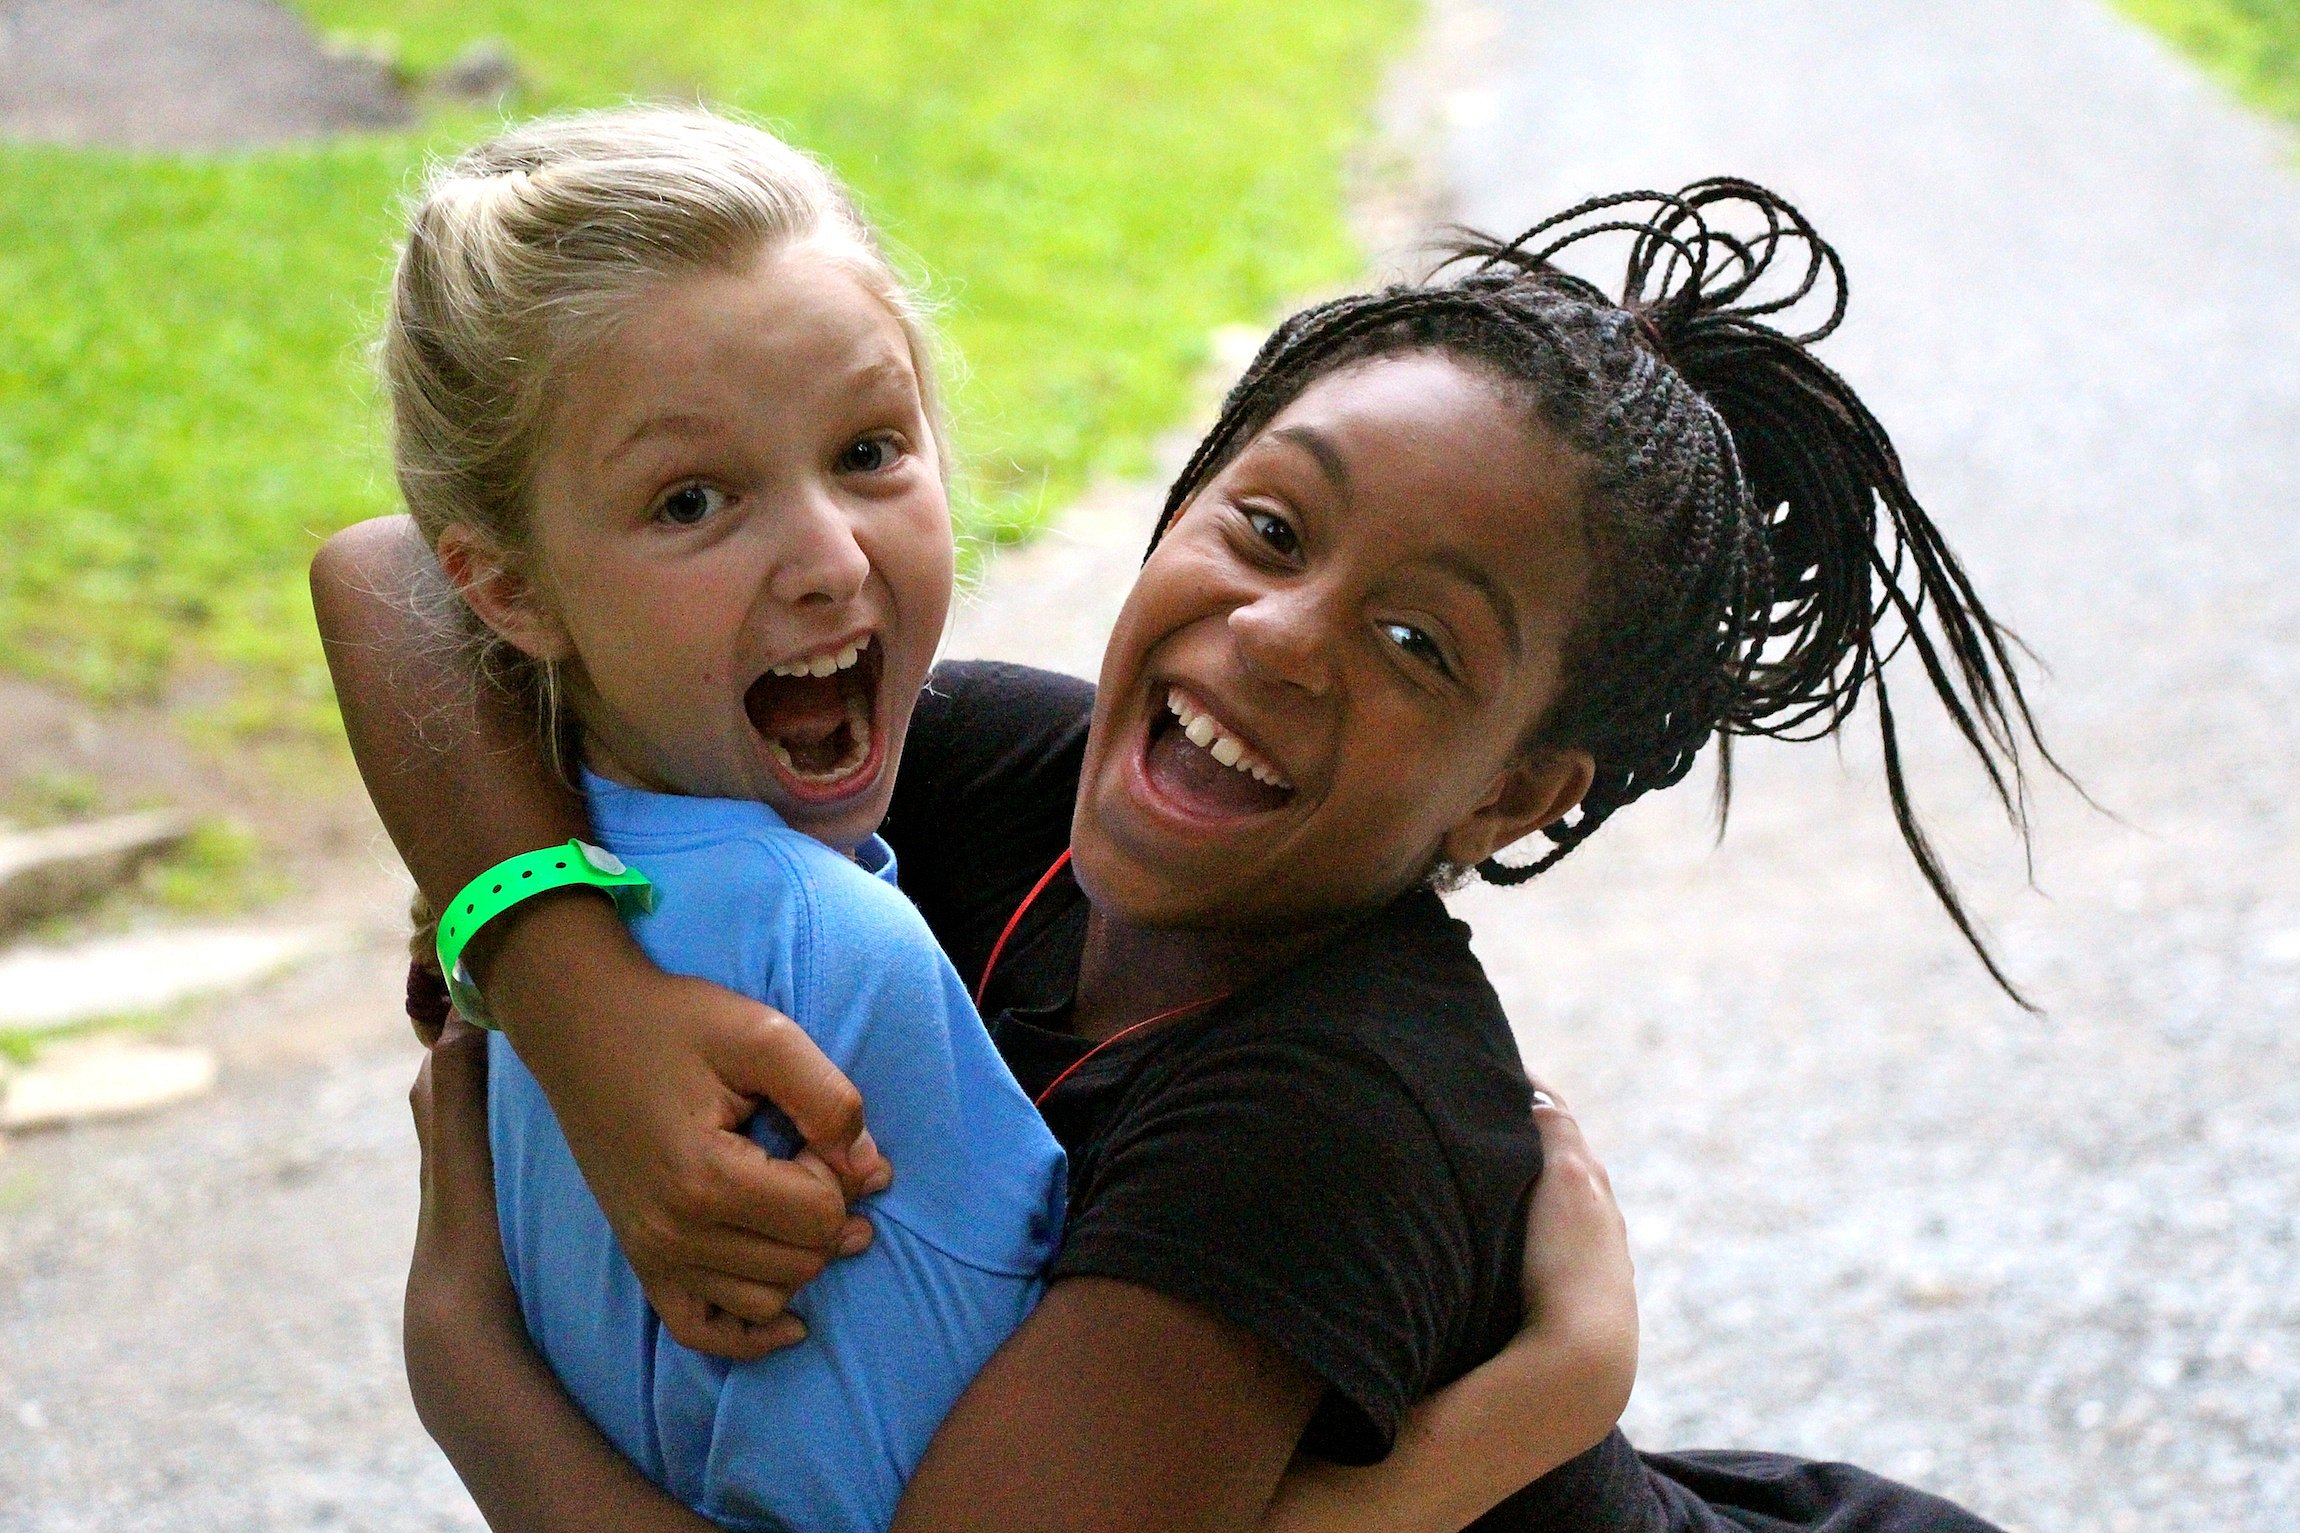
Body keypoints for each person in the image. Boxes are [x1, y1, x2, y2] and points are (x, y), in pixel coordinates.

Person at [318, 179, 2041, 1530]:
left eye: (1419, 644)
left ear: (1510, 798)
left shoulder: (1331, 1109)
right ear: (1180, 508)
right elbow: (394, 570)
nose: (1286, 635)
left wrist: (467, 1369)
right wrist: (565, 976)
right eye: (1271, 527)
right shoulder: (997, 771)